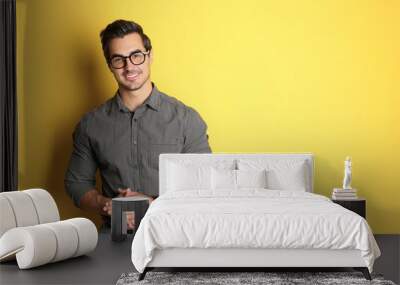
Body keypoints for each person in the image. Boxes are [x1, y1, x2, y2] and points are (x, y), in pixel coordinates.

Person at [65, 19, 211, 228]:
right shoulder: (90, 125)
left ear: (149, 56)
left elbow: (205, 186)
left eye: (136, 56)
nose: (129, 66)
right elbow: (76, 183)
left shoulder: (187, 120)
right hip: (115, 238)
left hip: (175, 234)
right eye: (118, 59)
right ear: (109, 65)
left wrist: (151, 206)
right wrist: (106, 204)